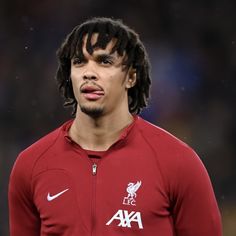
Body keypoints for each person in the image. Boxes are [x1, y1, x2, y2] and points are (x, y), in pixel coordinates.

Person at [8, 17, 222, 236]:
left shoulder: (178, 163)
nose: (89, 73)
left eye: (104, 61)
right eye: (79, 62)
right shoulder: (31, 165)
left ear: (130, 77)